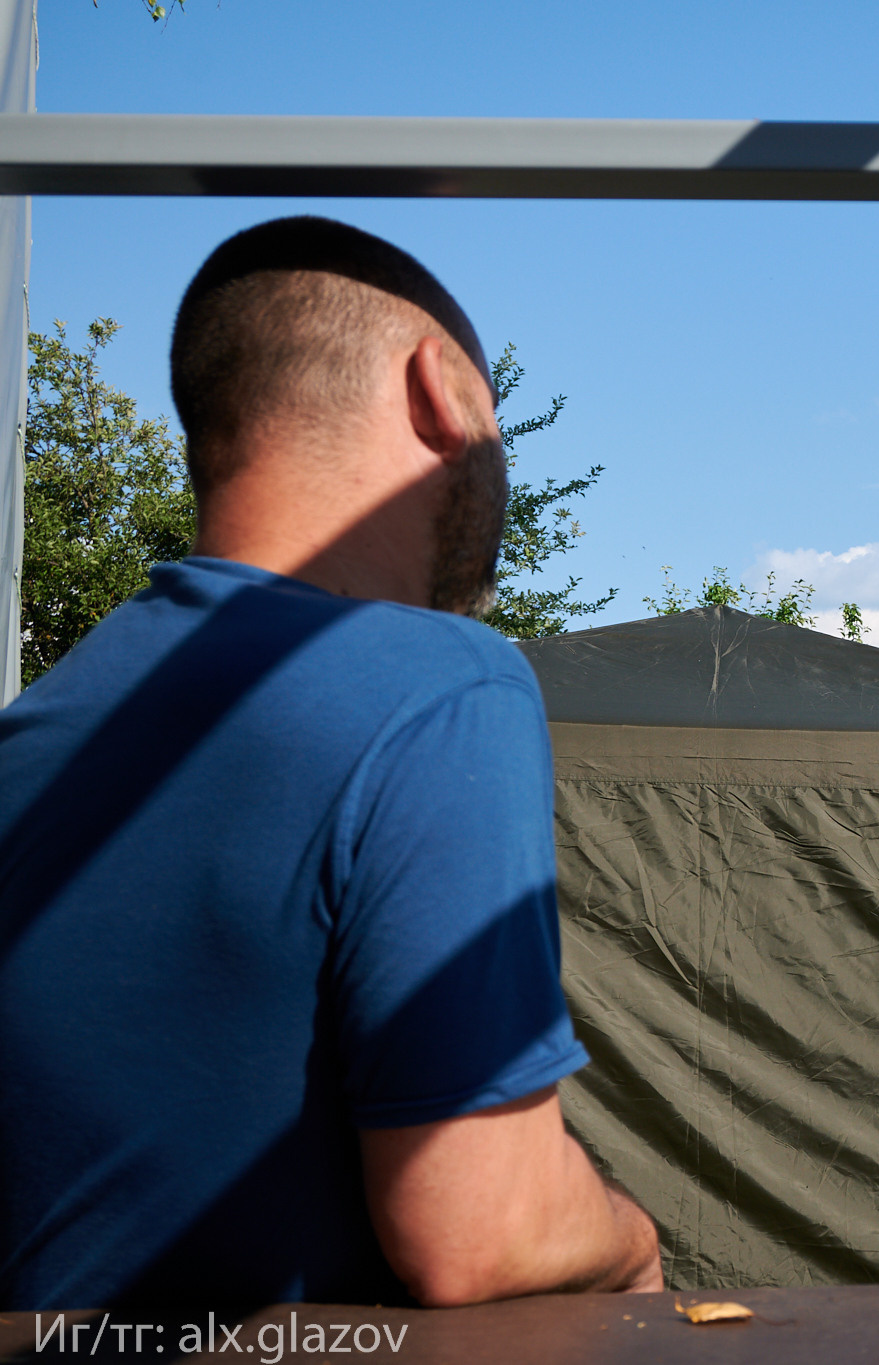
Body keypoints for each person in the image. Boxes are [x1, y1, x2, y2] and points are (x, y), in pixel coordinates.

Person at [0, 217, 661, 1310]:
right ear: (435, 389)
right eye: (496, 423)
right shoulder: (444, 683)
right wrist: (633, 1244)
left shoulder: (38, 734)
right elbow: (483, 1229)